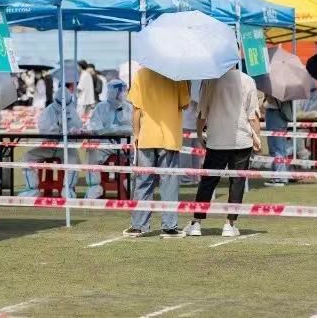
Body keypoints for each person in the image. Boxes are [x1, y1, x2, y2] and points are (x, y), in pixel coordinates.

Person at [185, 67, 262, 237]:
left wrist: (200, 134)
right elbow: (253, 115)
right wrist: (258, 138)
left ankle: (196, 222)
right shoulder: (248, 80)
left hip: (216, 140)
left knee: (207, 182)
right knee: (237, 183)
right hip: (241, 139)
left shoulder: (209, 80)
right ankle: (230, 224)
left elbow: (202, 113)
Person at [122, 67, 191, 238]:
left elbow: (136, 109)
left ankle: (138, 226)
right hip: (169, 137)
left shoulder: (141, 74)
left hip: (146, 136)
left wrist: (136, 134)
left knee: (143, 182)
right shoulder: (177, 74)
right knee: (169, 183)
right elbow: (185, 104)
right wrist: (187, 83)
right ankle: (169, 226)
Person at [21, 89, 82, 197]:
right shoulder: (47, 111)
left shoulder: (73, 112)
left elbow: (79, 130)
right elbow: (44, 130)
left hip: (65, 148)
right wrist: (56, 129)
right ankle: (32, 190)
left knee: (74, 159)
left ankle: (68, 190)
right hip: (47, 147)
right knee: (28, 156)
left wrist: (74, 131)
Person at [84, 79, 133, 199]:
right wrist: (112, 129)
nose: (121, 93)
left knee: (139, 154)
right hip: (105, 145)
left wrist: (114, 129)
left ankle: (131, 182)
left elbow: (133, 129)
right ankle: (94, 187)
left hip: (126, 146)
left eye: (122, 90)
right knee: (92, 150)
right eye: (118, 91)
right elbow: (95, 127)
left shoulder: (129, 108)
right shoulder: (101, 107)